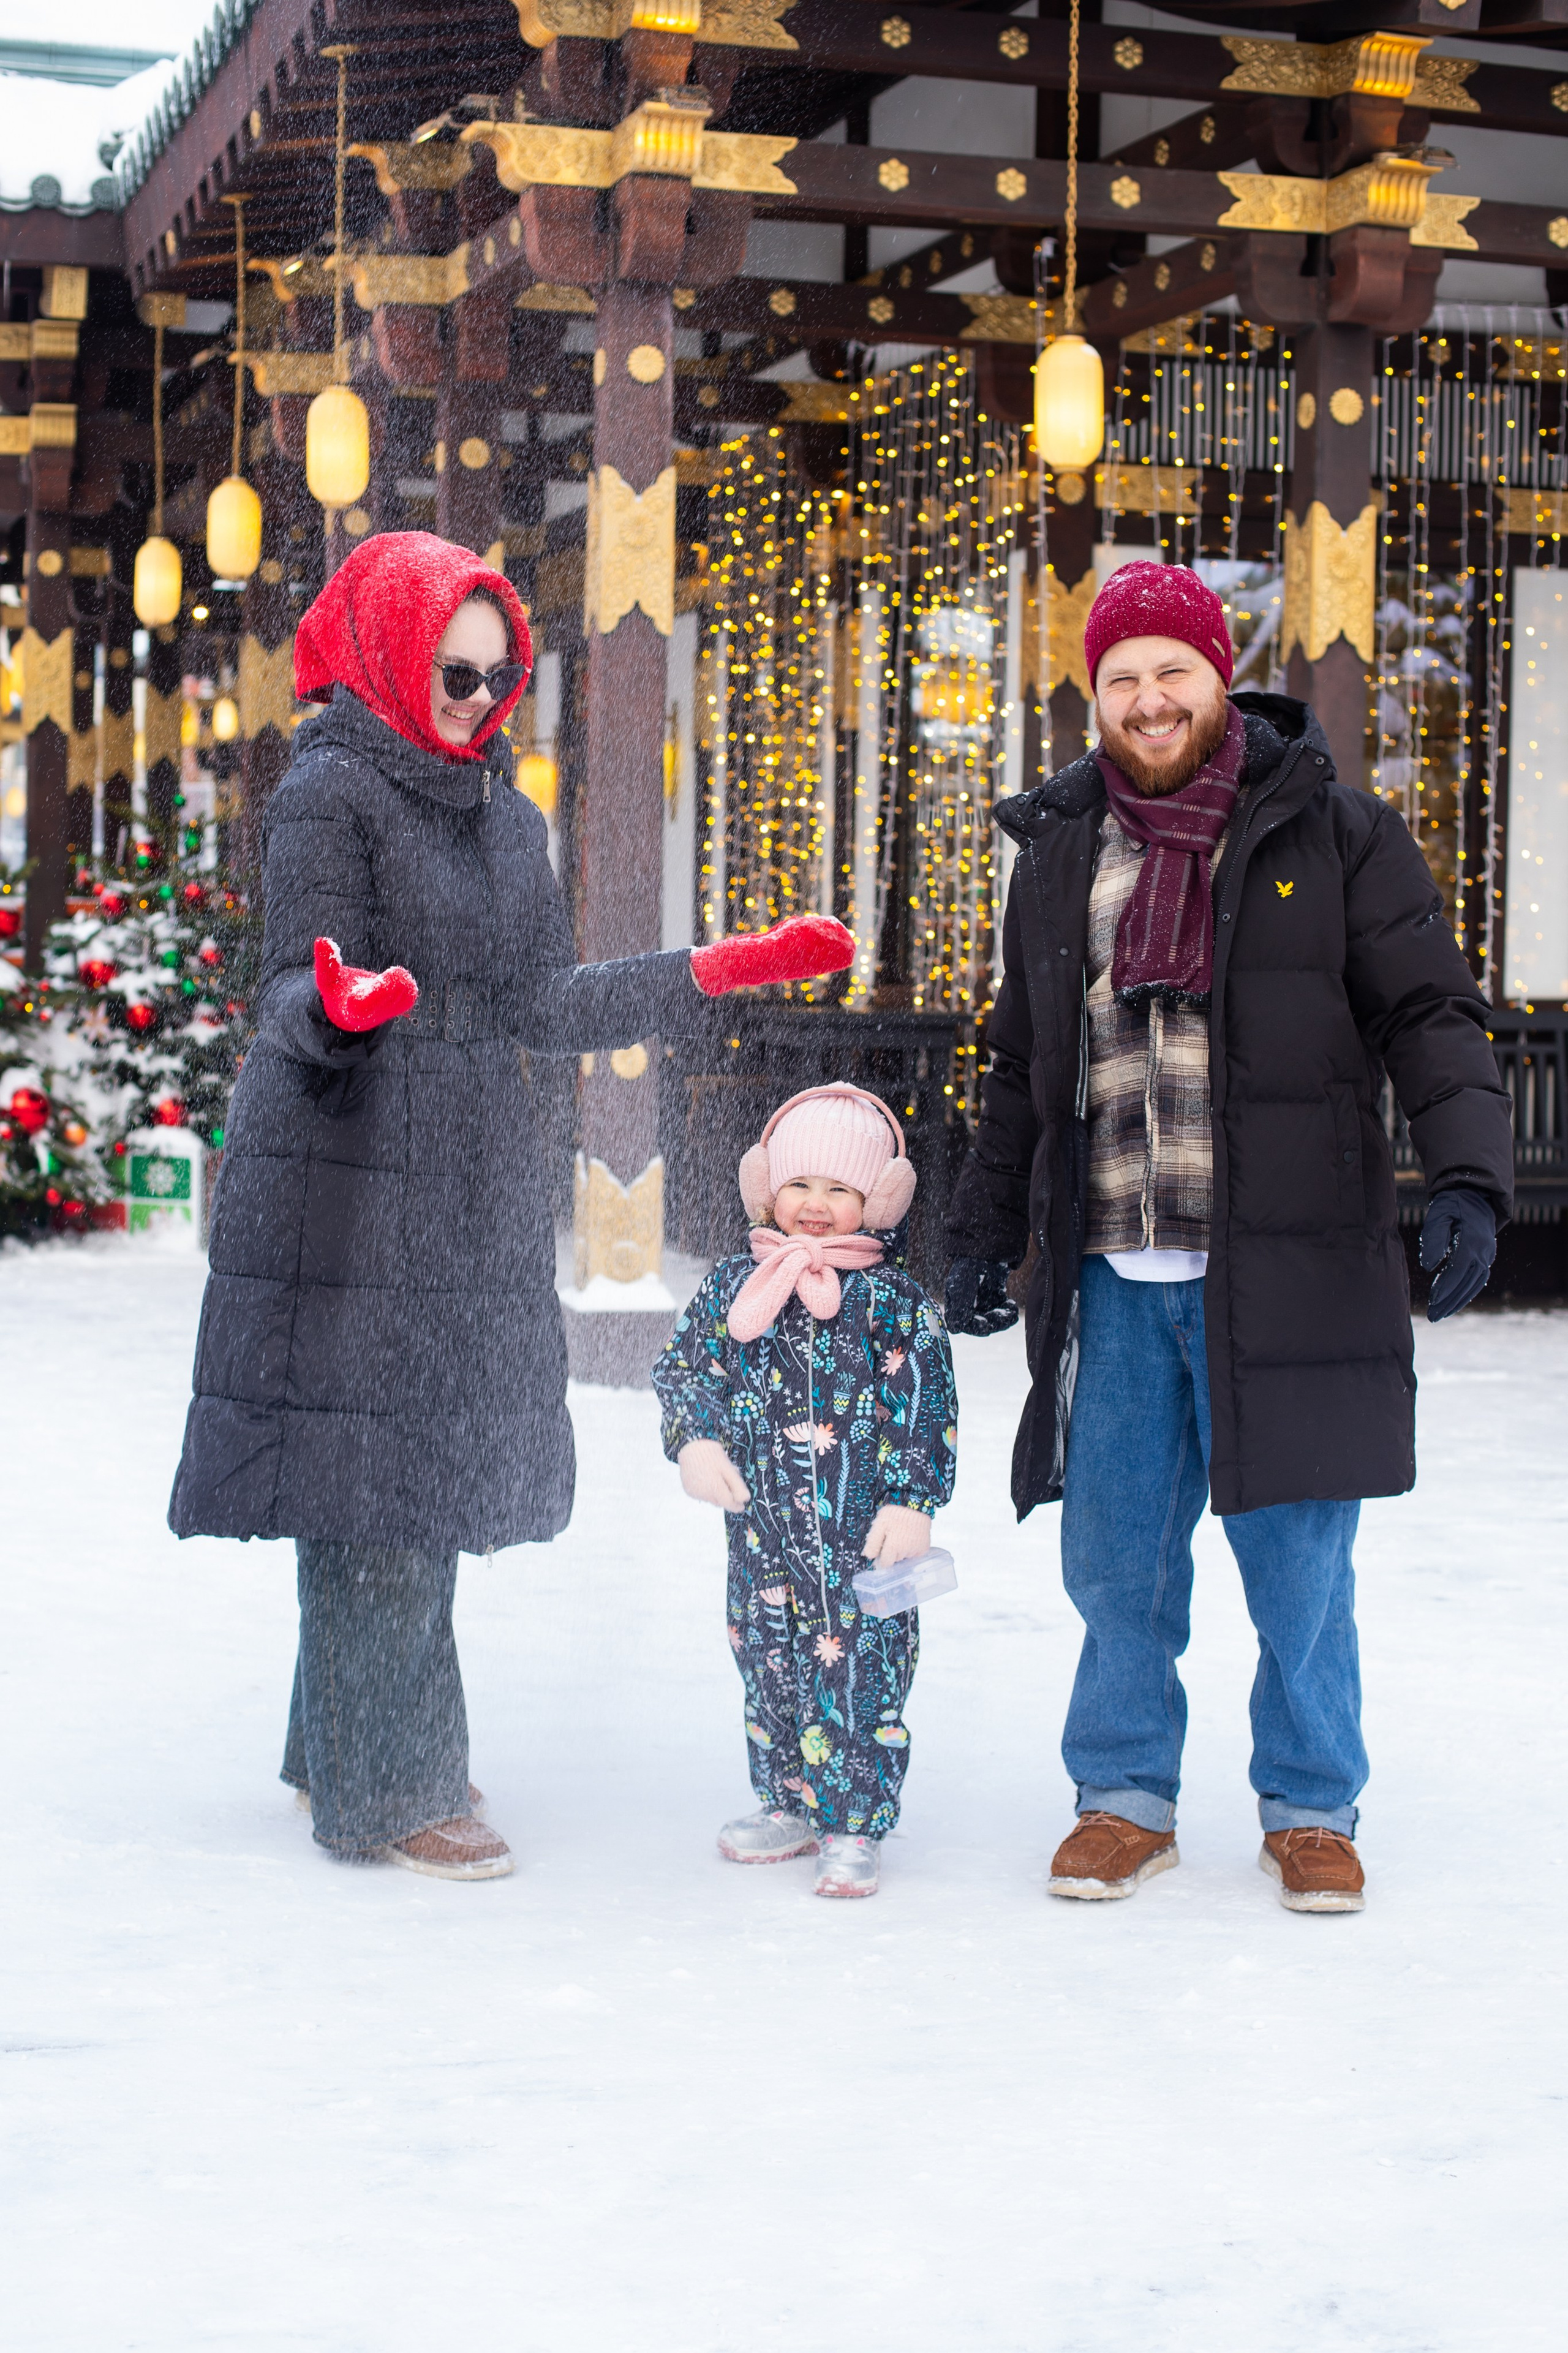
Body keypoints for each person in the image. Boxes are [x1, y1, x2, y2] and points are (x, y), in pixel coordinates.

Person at [168, 531, 853, 1881]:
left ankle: (344, 1743)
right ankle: (391, 1783)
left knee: (397, 1460)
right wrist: (338, 1004)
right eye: (454, 671)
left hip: (471, 1177)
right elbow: (284, 988)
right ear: (384, 653)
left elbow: (543, 1001)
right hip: (349, 1171)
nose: (479, 700)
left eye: (498, 677)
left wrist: (707, 971)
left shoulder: (504, 812)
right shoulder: (332, 792)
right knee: (380, 1477)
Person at [944, 562, 1514, 1914]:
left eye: (1170, 673)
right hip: (1112, 1265)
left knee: (1298, 1559)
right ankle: (1122, 1791)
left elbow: (1427, 1014)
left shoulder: (1337, 835)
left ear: (1219, 680)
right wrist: (977, 1224)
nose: (1147, 700)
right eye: (1121, 680)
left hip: (1290, 1267)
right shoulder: (1062, 854)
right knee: (1113, 1556)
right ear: (1097, 700)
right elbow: (1018, 1062)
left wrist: (1469, 1180)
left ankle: (1311, 1802)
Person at [650, 1084, 957, 1898]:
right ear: (766, 1187)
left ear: (877, 1199)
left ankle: (853, 1818)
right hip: (762, 1536)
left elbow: (923, 1407)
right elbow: (688, 1369)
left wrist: (910, 1497)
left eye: (840, 1189)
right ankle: (788, 1797)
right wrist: (696, 1438)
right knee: (768, 1659)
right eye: (800, 1185)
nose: (815, 1205)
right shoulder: (732, 1288)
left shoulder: (894, 1305)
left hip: (865, 1539)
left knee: (864, 1668)